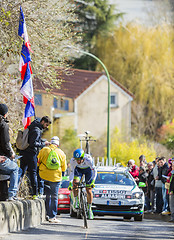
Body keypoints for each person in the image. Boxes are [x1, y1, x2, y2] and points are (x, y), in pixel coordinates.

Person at [18, 116, 51, 199]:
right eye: (46, 125)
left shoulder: (32, 126)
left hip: (24, 152)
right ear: (43, 122)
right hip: (31, 154)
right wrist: (43, 145)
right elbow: (33, 143)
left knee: (21, 172)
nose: (46, 127)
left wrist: (41, 141)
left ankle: (15, 192)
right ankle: (35, 194)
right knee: (33, 173)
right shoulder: (37, 130)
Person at [37, 136, 67, 223]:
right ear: (58, 144)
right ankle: (52, 216)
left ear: (50, 142)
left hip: (44, 176)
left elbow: (38, 161)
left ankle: (45, 213)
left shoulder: (44, 150)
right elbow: (64, 168)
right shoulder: (61, 153)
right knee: (54, 196)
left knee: (47, 195)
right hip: (55, 177)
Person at [68, 148, 97, 220]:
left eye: (80, 159)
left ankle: (89, 209)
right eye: (76, 159)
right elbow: (71, 172)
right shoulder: (72, 161)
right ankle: (76, 200)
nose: (78, 161)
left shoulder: (88, 159)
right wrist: (70, 183)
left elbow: (94, 171)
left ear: (83, 157)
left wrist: (93, 181)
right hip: (79, 170)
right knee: (75, 183)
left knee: (89, 190)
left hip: (88, 171)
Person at [0, 103, 19, 201]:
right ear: (5, 114)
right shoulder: (3, 125)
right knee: (15, 169)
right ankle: (12, 194)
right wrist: (10, 154)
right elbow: (5, 143)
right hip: (1, 157)